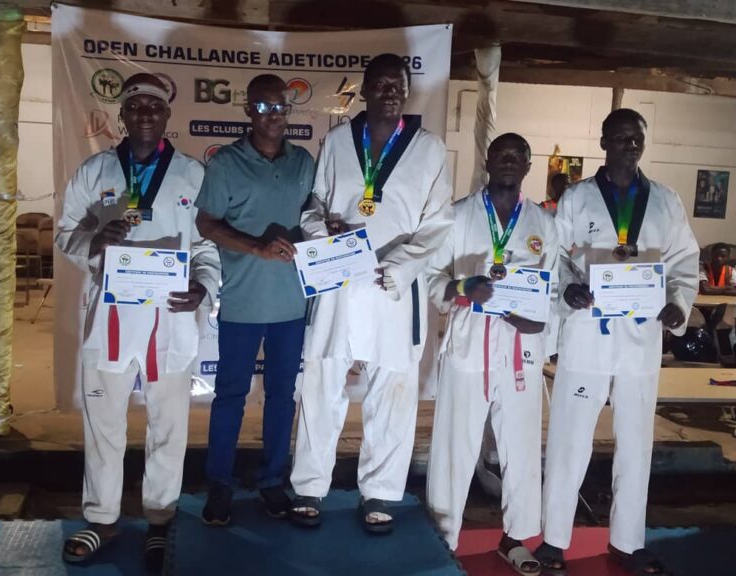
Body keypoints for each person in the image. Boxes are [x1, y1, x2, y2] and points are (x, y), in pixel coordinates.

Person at [57, 73, 220, 572]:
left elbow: (209, 245)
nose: (145, 113)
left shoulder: (193, 175)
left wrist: (203, 287)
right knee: (103, 425)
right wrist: (93, 241)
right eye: (136, 106)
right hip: (108, 320)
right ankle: (102, 519)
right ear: (122, 115)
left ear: (167, 114)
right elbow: (66, 232)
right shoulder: (96, 170)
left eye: (154, 105)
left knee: (168, 427)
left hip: (169, 320)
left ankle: (160, 519)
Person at [289, 53, 453, 533]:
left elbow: (438, 222)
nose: (389, 92)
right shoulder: (339, 140)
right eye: (379, 84)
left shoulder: (429, 148)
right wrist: (320, 230)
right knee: (321, 382)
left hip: (393, 286)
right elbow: (315, 203)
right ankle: (309, 485)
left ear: (407, 91)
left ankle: (380, 492)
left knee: (393, 390)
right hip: (339, 281)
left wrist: (402, 264)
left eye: (397, 85)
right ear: (363, 90)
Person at [537, 108, 699, 576]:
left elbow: (684, 261)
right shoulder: (577, 198)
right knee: (569, 439)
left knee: (636, 443)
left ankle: (628, 542)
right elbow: (555, 257)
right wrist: (568, 289)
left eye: (637, 138)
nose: (630, 145)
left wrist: (679, 303)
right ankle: (554, 539)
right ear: (604, 142)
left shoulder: (665, 201)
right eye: (622, 137)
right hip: (587, 335)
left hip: (640, 339)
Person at [426, 133, 557, 574]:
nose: (509, 161)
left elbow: (553, 286)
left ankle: (515, 537)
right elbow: (432, 276)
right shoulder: (459, 214)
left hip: (522, 348)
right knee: (454, 443)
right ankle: (443, 535)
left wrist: (542, 324)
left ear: (528, 165)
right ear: (488, 161)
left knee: (521, 446)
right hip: (469, 342)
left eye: (518, 156)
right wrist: (464, 287)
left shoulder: (543, 222)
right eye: (501, 154)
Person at [195, 74, 314, 523]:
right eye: (263, 107)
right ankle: (219, 485)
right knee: (230, 396)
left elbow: (314, 218)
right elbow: (207, 223)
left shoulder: (303, 162)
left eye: (280, 106)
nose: (273, 115)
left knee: (282, 396)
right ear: (248, 110)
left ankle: (271, 481)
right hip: (243, 301)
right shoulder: (226, 162)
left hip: (291, 303)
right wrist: (256, 247)